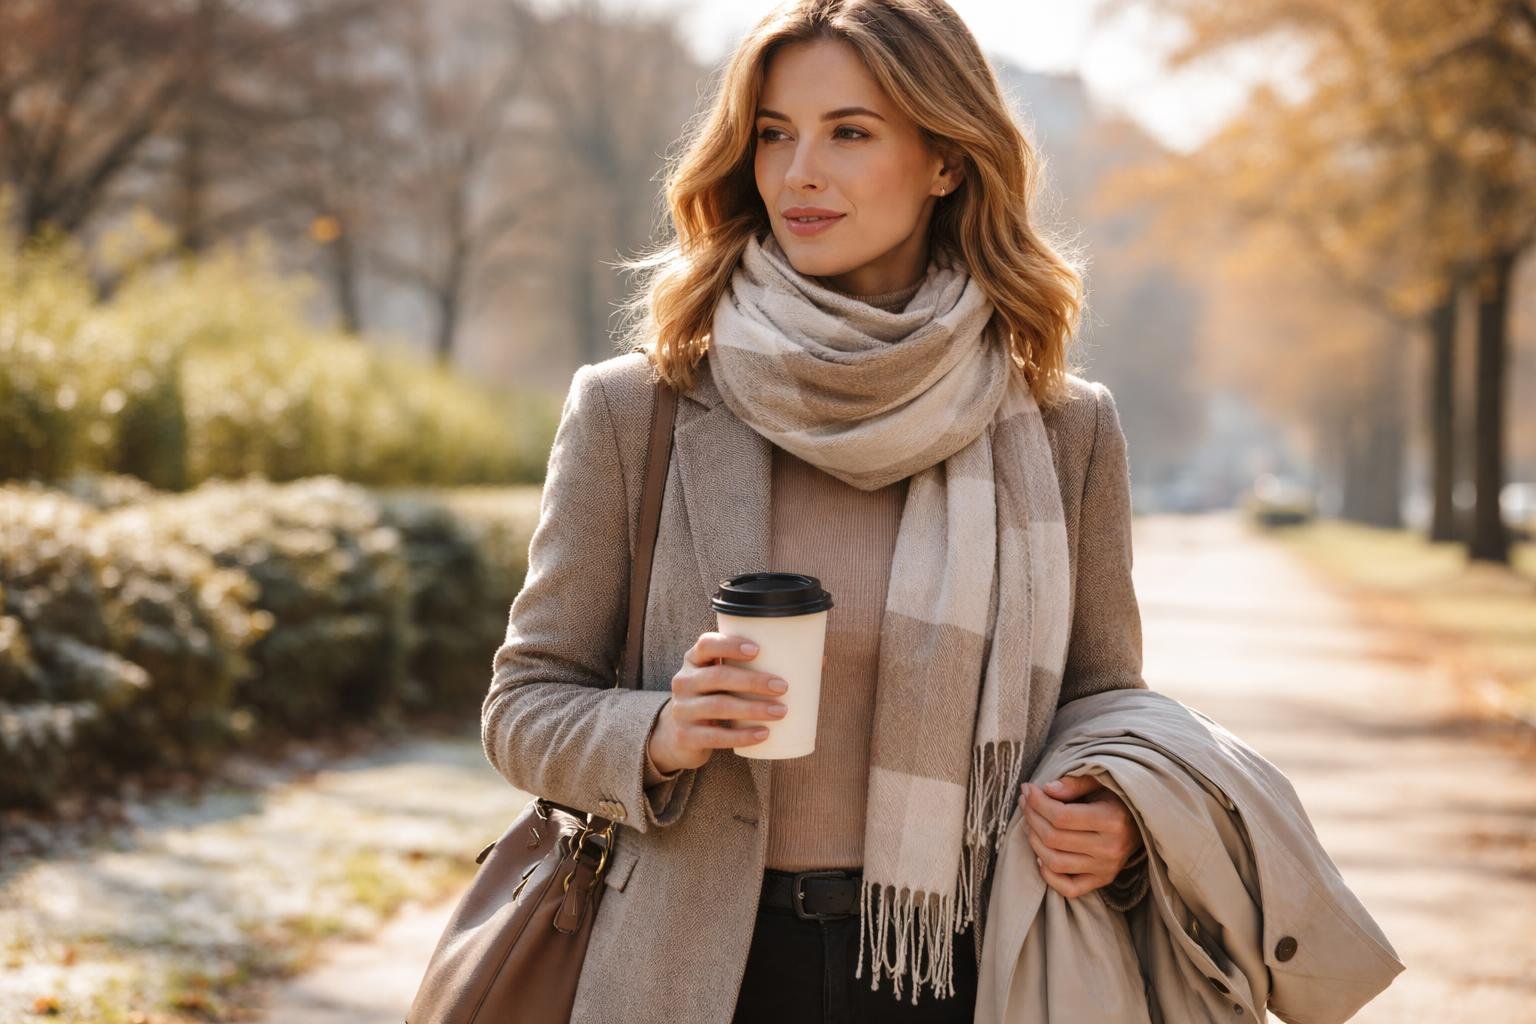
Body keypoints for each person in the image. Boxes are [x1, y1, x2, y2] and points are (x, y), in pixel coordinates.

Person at [482, 2, 1148, 1022]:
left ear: (946, 160)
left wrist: (1117, 816)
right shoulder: (637, 409)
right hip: (694, 972)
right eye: (774, 134)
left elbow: (1107, 707)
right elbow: (523, 704)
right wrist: (661, 731)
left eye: (849, 132)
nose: (800, 173)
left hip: (962, 973)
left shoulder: (1062, 430)